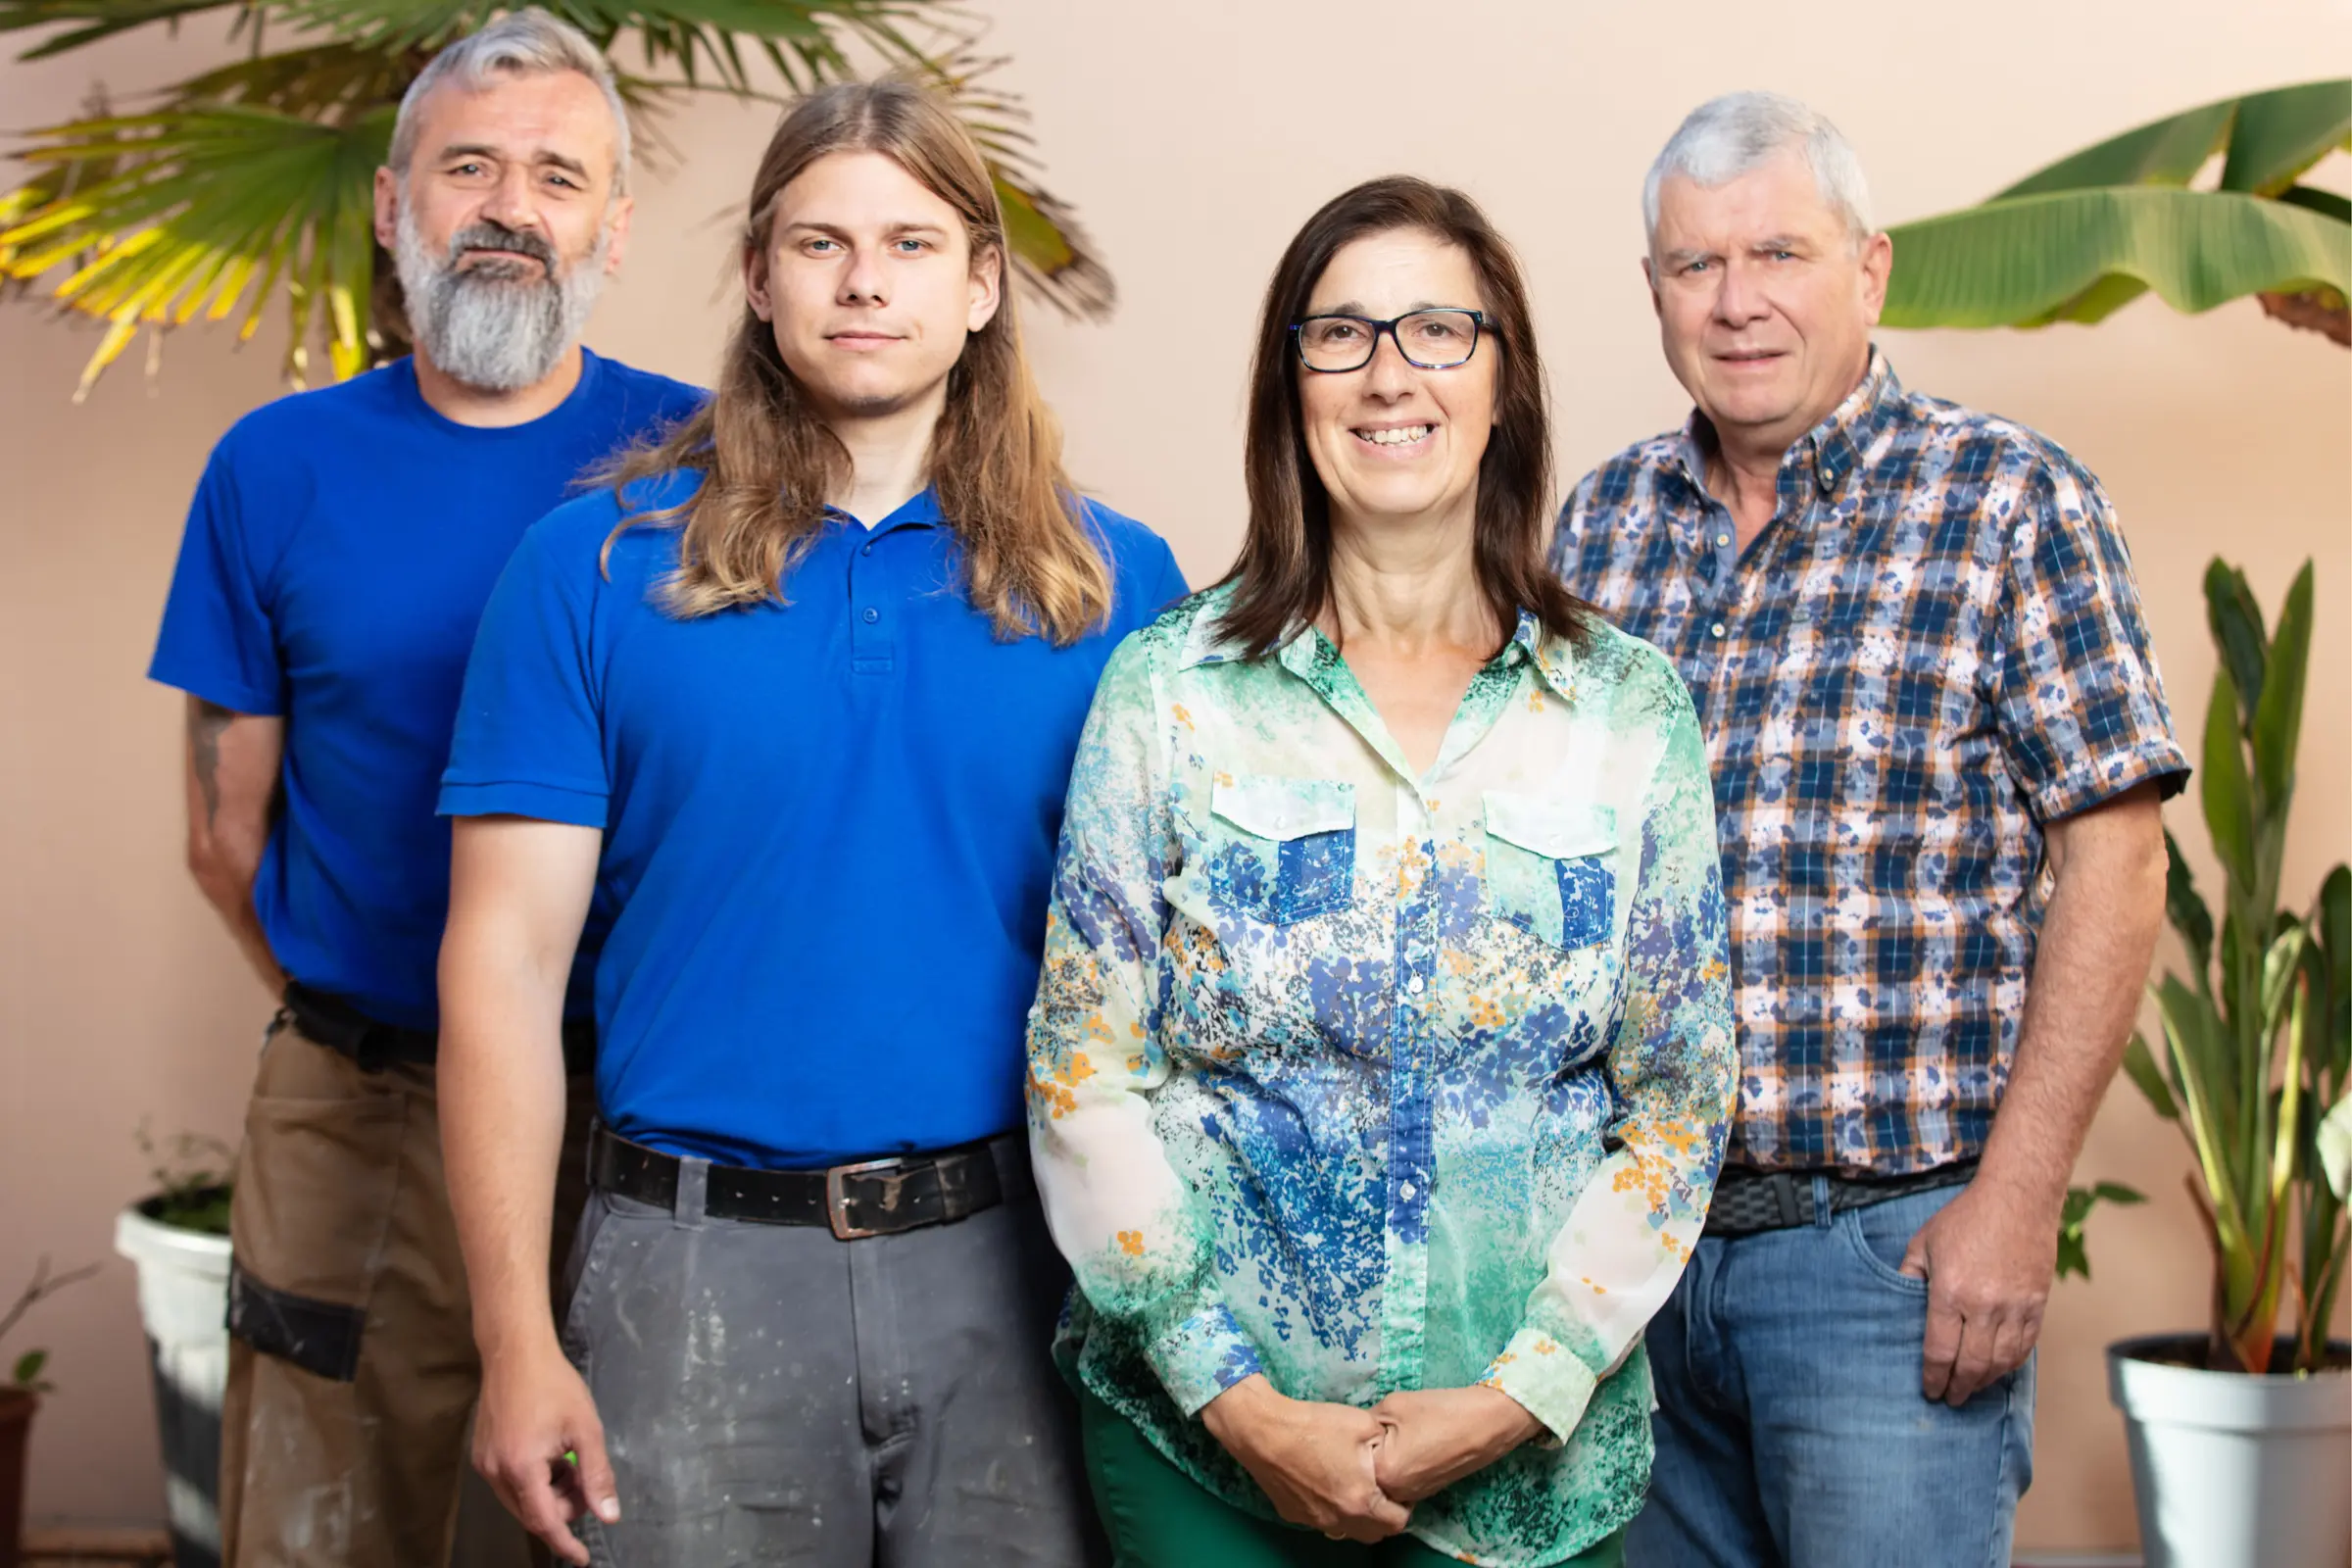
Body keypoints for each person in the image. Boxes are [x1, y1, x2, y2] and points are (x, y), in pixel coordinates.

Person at [434, 77, 1187, 1568]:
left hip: (1021, 1263)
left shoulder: (1119, 589)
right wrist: (516, 1339)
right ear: (758, 276)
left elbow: (1190, 977)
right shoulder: (586, 566)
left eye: (911, 244)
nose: (862, 281)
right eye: (819, 242)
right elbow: (503, 965)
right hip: (688, 1267)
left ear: (982, 285)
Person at [1026, 175, 1736, 1568]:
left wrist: (1520, 1393)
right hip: (1208, 1453)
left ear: (1502, 384)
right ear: (1288, 385)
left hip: (1526, 1471)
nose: (1388, 373)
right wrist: (1231, 1394)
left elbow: (1681, 1094)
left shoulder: (1626, 709)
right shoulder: (1171, 692)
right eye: (1339, 333)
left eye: (1436, 332)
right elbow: (1082, 1071)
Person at [1552, 92, 2187, 1568]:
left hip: (1890, 1259)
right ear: (1654, 292)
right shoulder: (1603, 524)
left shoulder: (2009, 503)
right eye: (1694, 265)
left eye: (1778, 251)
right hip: (1634, 1267)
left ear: (1870, 269)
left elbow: (2119, 855)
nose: (1738, 300)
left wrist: (2016, 1206)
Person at [146, 12, 701, 1563]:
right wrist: (383, 1033)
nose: (511, 207)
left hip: (645, 1126)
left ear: (612, 225)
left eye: (556, 175)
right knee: (320, 1529)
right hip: (355, 1116)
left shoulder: (702, 464)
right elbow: (220, 834)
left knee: (614, 1531)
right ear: (394, 207)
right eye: (469, 166)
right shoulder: (276, 464)